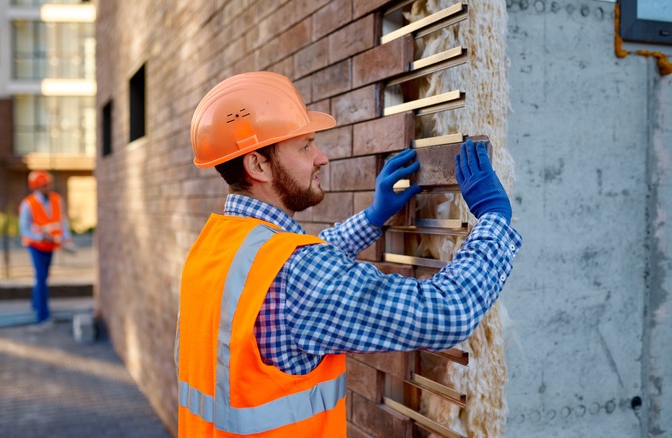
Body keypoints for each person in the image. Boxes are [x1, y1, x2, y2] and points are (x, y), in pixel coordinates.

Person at [177, 71, 522, 436]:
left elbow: (297, 266)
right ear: (257, 165)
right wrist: (494, 220)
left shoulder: (215, 248)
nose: (321, 158)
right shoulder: (298, 272)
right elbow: (446, 314)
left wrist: (374, 217)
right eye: (305, 146)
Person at [19, 170, 74, 323]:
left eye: (48, 184)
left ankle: (36, 304)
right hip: (36, 246)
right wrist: (40, 236)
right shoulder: (28, 204)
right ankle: (42, 315)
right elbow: (24, 228)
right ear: (36, 187)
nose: (47, 187)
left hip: (51, 246)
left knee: (42, 277)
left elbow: (62, 221)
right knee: (41, 278)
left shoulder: (57, 200)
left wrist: (67, 238)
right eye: (44, 185)